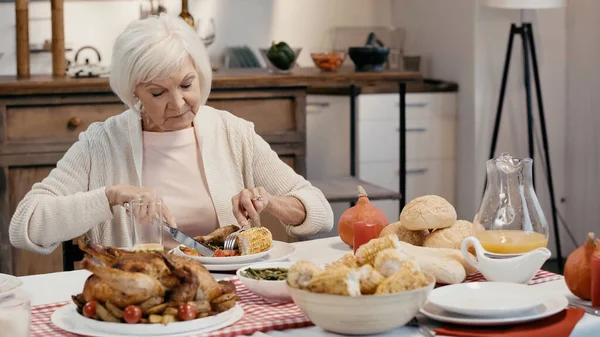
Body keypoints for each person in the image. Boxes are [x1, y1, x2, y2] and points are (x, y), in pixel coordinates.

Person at [9, 14, 334, 253]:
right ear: (134, 92)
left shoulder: (232, 132)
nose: (178, 103)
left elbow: (319, 212)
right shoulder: (103, 142)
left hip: (230, 295)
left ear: (201, 75)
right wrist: (108, 197)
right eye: (158, 93)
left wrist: (270, 202)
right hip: (138, 301)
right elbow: (25, 224)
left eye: (186, 84)